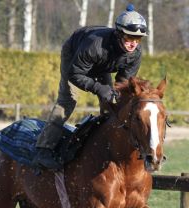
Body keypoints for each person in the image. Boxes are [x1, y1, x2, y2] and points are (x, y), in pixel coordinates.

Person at [33, 3, 148, 170]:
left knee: (112, 102)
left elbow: (122, 85)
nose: (133, 44)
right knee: (68, 101)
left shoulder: (135, 54)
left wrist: (113, 97)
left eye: (137, 39)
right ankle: (43, 151)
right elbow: (75, 74)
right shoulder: (94, 46)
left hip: (102, 63)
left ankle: (108, 146)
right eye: (129, 38)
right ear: (118, 34)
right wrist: (99, 88)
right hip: (75, 55)